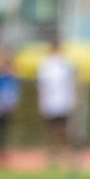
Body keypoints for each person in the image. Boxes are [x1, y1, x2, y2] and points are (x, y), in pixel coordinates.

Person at [36, 35, 76, 166]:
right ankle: (54, 156)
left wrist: (71, 101)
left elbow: (70, 84)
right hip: (50, 102)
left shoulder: (66, 64)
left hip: (63, 102)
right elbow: (42, 86)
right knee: (52, 130)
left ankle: (66, 155)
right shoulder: (45, 64)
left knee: (64, 130)